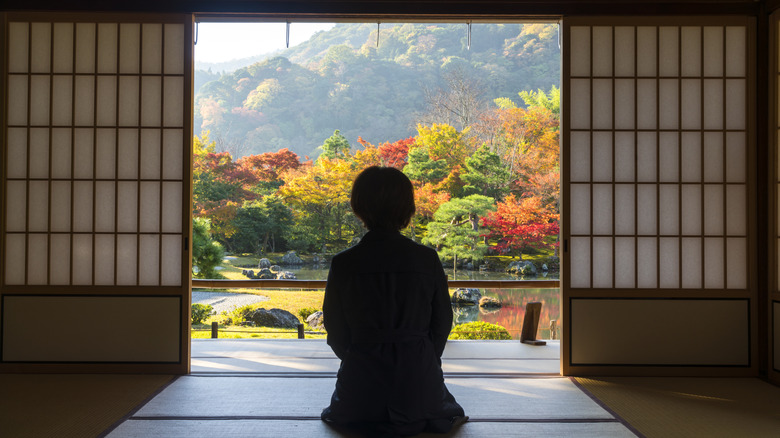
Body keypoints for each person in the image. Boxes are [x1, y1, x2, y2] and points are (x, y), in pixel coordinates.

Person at [321, 166, 466, 437]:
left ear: (358, 207)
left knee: (351, 418)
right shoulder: (426, 259)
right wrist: (422, 356)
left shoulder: (344, 263)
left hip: (360, 387)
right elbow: (442, 322)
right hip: (419, 382)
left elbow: (335, 328)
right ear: (408, 208)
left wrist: (358, 355)